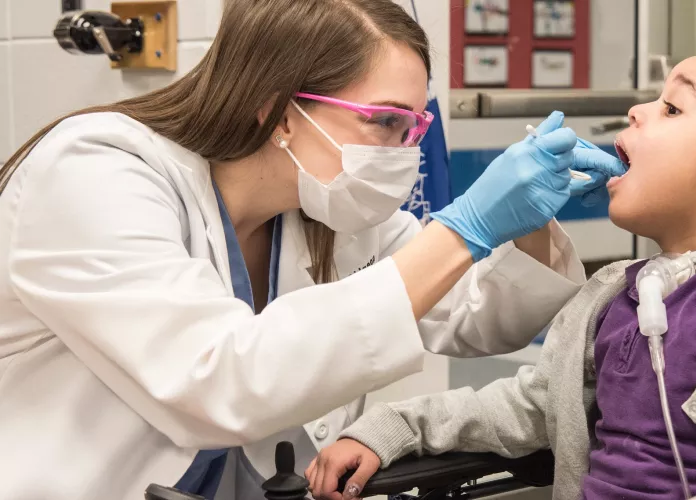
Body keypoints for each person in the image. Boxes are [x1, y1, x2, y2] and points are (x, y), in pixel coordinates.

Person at [0, 1, 625, 499]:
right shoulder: (95, 171)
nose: (404, 149)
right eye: (385, 121)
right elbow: (221, 383)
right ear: (279, 111)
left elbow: (482, 319)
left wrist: (532, 219)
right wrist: (463, 229)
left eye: (414, 126)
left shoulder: (326, 204)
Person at [309, 33, 696, 500]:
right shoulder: (611, 298)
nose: (636, 111)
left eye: (671, 107)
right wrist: (399, 427)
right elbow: (531, 405)